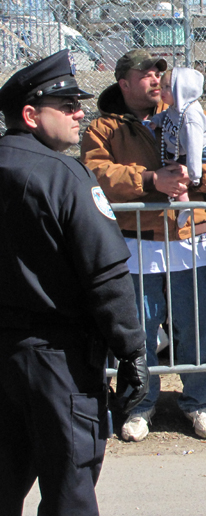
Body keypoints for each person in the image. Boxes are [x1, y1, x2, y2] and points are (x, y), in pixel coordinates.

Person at [0, 50, 149, 514]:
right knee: (70, 490)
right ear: (31, 115)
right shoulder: (65, 176)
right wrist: (132, 351)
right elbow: (106, 275)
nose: (79, 113)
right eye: (66, 106)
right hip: (57, 360)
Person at [81, 49, 206, 442]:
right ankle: (139, 406)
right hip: (135, 245)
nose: (155, 79)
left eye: (158, 73)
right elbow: (97, 172)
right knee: (139, 332)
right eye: (145, 74)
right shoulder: (103, 128)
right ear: (124, 83)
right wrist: (151, 180)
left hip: (191, 241)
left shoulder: (191, 115)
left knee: (196, 327)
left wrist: (191, 179)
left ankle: (199, 403)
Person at [150, 67, 206, 226]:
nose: (162, 90)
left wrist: (194, 173)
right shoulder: (174, 108)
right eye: (162, 86)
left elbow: (194, 145)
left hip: (199, 152)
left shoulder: (190, 116)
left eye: (168, 87)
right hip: (182, 151)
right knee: (176, 175)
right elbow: (166, 116)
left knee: (186, 178)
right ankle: (187, 205)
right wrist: (156, 121)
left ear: (182, 89)